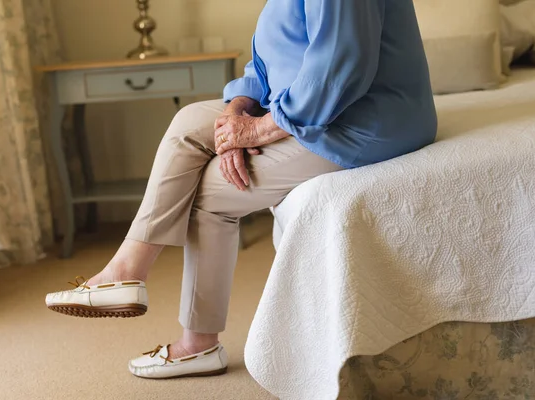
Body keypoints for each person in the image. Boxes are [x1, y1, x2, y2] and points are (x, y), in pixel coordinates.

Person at [46, 0, 437, 379]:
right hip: (309, 108)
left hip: (362, 121)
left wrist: (258, 130)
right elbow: (272, 54)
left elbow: (340, 67)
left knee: (210, 193)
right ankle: (125, 271)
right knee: (188, 125)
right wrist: (238, 108)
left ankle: (197, 344)